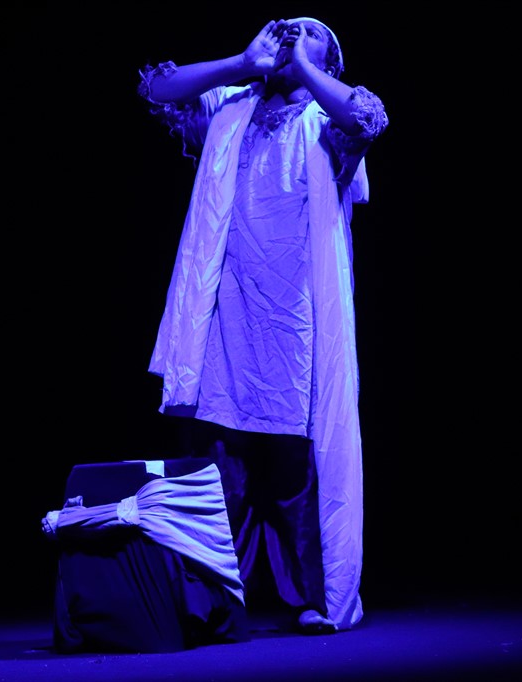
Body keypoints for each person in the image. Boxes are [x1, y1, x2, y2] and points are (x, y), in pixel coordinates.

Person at [137, 17, 388, 634]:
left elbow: (367, 117)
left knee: (295, 472)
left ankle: (315, 597)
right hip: (227, 321)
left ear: (330, 61)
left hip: (296, 324)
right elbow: (157, 89)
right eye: (285, 27)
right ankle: (211, 605)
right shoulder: (231, 106)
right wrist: (242, 63)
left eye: (309, 32)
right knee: (221, 472)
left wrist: (302, 69)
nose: (291, 32)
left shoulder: (326, 122)